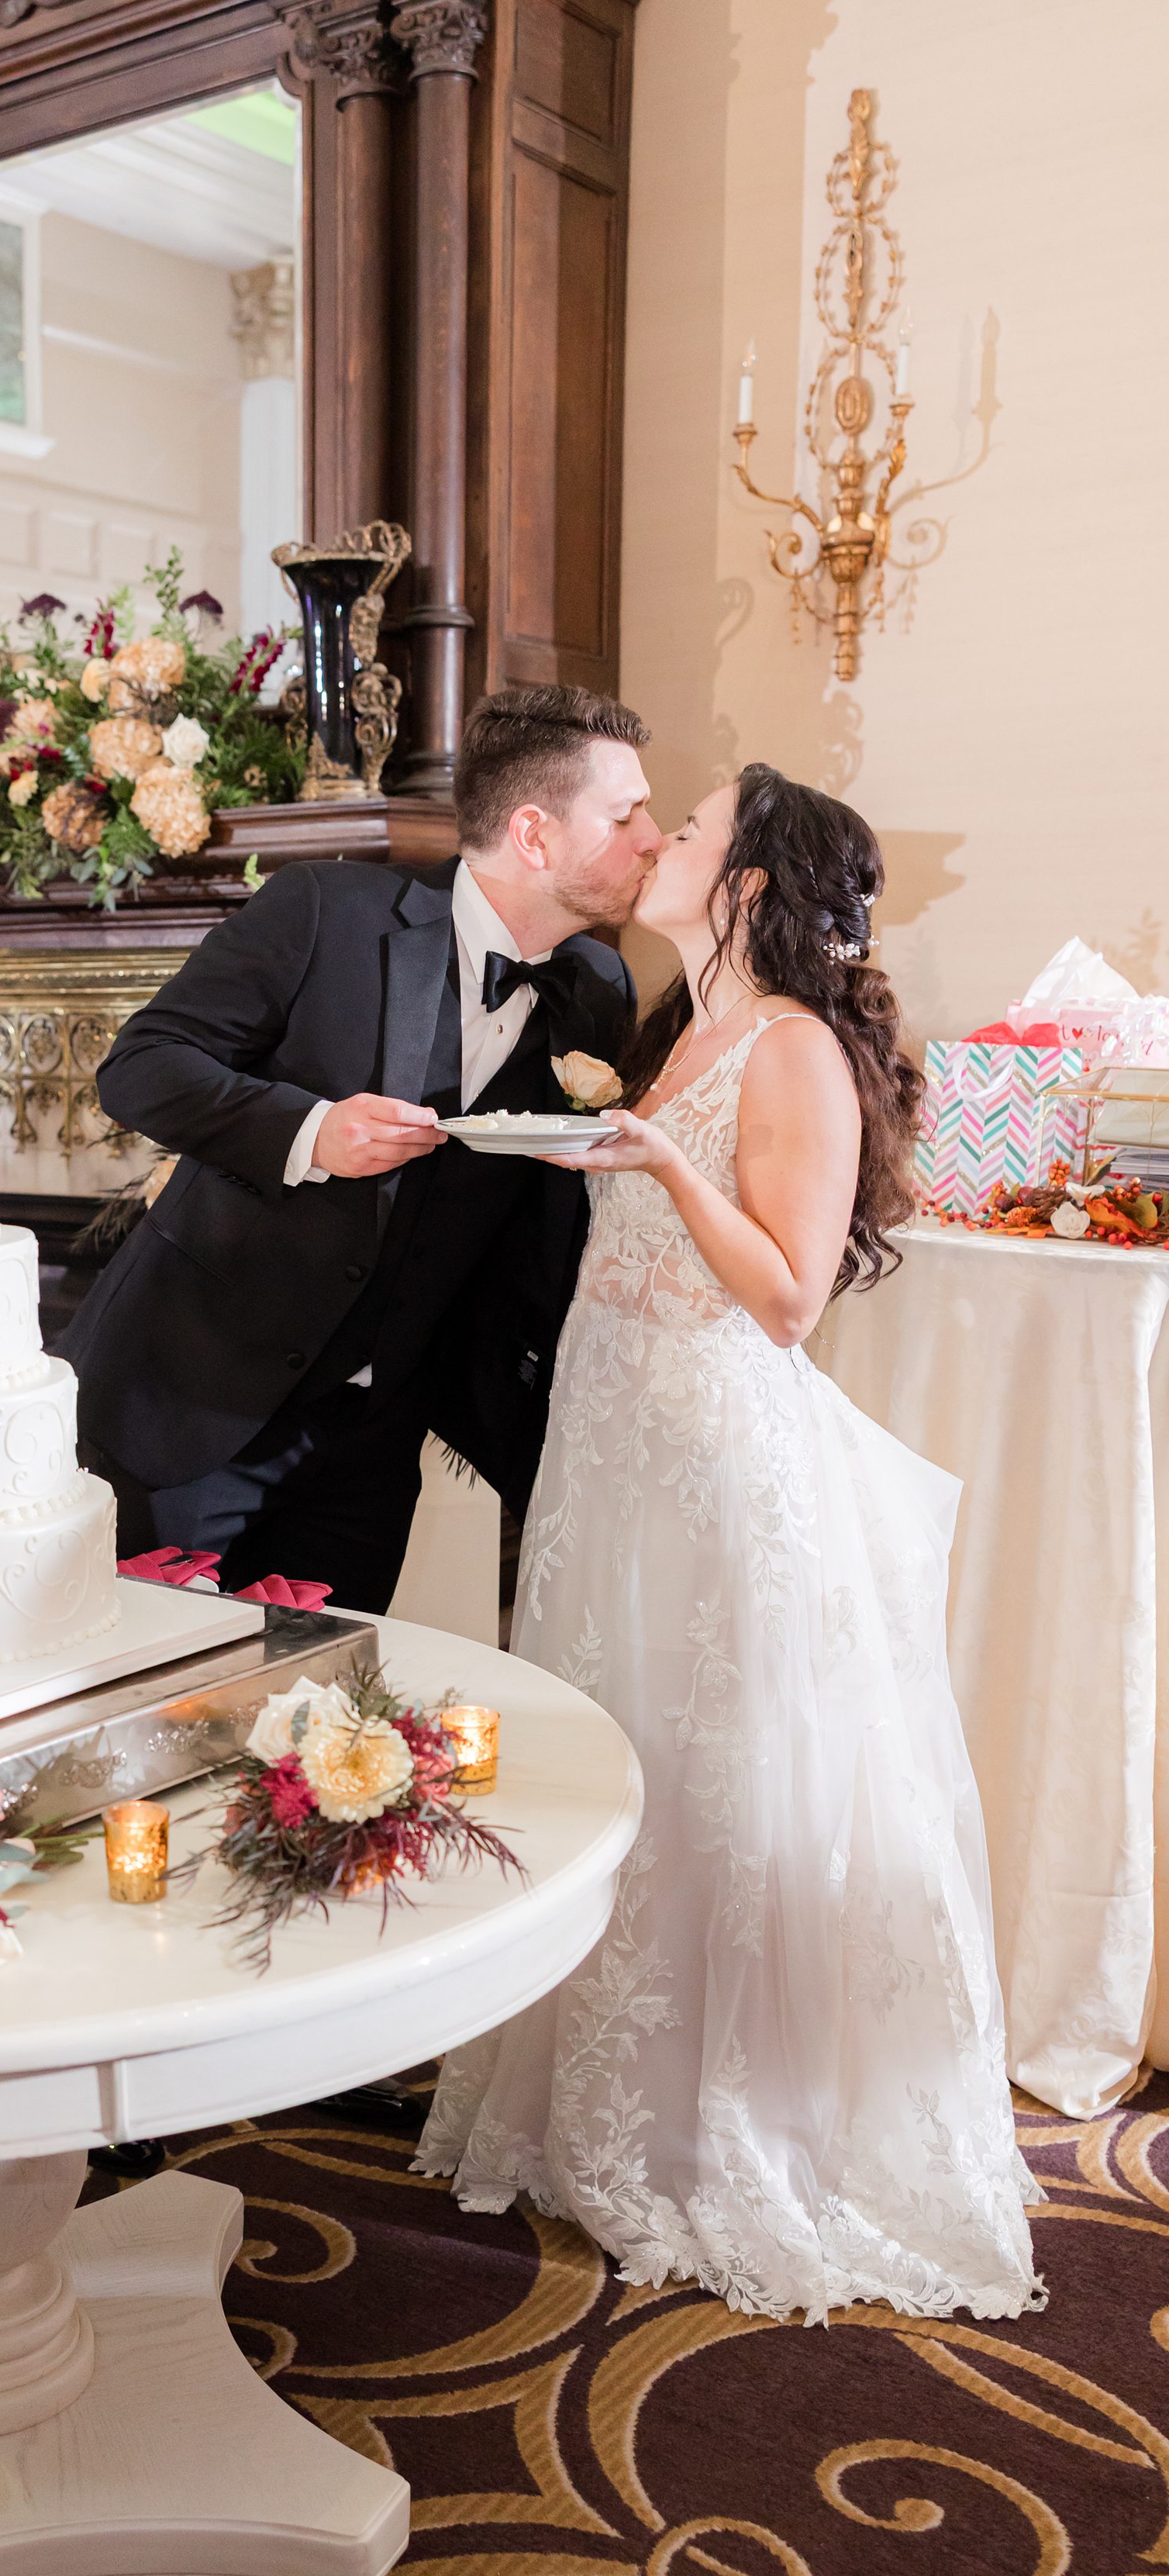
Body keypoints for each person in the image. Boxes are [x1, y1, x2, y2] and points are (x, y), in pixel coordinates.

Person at [416, 763, 1043, 2324]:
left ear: (751, 882)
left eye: (687, 832)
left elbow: (786, 1298)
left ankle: (724, 2126)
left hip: (709, 1454)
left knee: (717, 1770)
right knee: (615, 1747)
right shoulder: (677, 1026)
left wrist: (665, 1160)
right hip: (613, 1445)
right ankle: (601, 2105)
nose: (659, 844)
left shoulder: (796, 1048)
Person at [64, 685, 661, 1609]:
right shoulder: (324, 913)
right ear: (536, 835)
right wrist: (309, 1131)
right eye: (626, 816)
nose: (652, 838)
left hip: (375, 1445)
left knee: (326, 1722)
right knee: (150, 1703)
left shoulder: (597, 984)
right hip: (190, 1406)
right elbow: (140, 1066)